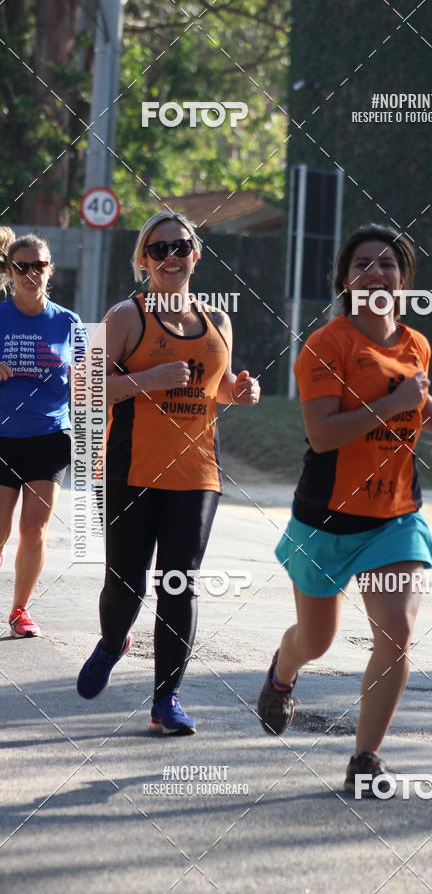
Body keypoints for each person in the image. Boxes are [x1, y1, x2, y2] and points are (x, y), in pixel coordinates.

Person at [257, 223, 432, 795]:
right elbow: (323, 434)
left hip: (395, 516)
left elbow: (420, 399)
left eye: (388, 264)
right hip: (326, 519)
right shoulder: (326, 346)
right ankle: (283, 674)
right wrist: (393, 405)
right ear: (345, 279)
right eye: (363, 264)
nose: (376, 273)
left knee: (397, 632)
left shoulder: (415, 343)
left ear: (403, 279)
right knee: (317, 642)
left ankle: (366, 758)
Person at [76, 211, 260, 735]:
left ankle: (166, 701)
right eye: (158, 250)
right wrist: (147, 378)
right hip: (130, 471)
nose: (170, 257)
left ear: (195, 255)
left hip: (197, 473)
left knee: (180, 583)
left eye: (180, 247)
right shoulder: (125, 318)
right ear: (143, 260)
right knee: (126, 585)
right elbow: (85, 387)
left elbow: (216, 389)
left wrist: (240, 393)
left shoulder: (218, 322)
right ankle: (113, 642)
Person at [0, 228, 81, 637]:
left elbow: (91, 382)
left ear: (50, 270)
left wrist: (78, 377)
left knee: (34, 529)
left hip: (49, 436)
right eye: (23, 266)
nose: (32, 273)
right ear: (10, 271)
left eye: (40, 265)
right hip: (2, 435)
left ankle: (20, 611)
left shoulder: (69, 322)